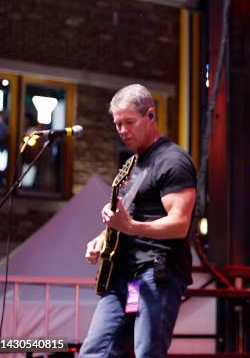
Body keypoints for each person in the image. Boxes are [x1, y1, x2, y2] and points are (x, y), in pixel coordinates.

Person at [80, 84, 197, 358]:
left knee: (147, 352)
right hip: (127, 278)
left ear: (150, 116)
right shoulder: (134, 164)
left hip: (155, 273)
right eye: (117, 124)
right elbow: (129, 216)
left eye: (129, 122)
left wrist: (130, 226)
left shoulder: (173, 160)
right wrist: (103, 237)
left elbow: (179, 224)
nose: (122, 130)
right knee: (97, 352)